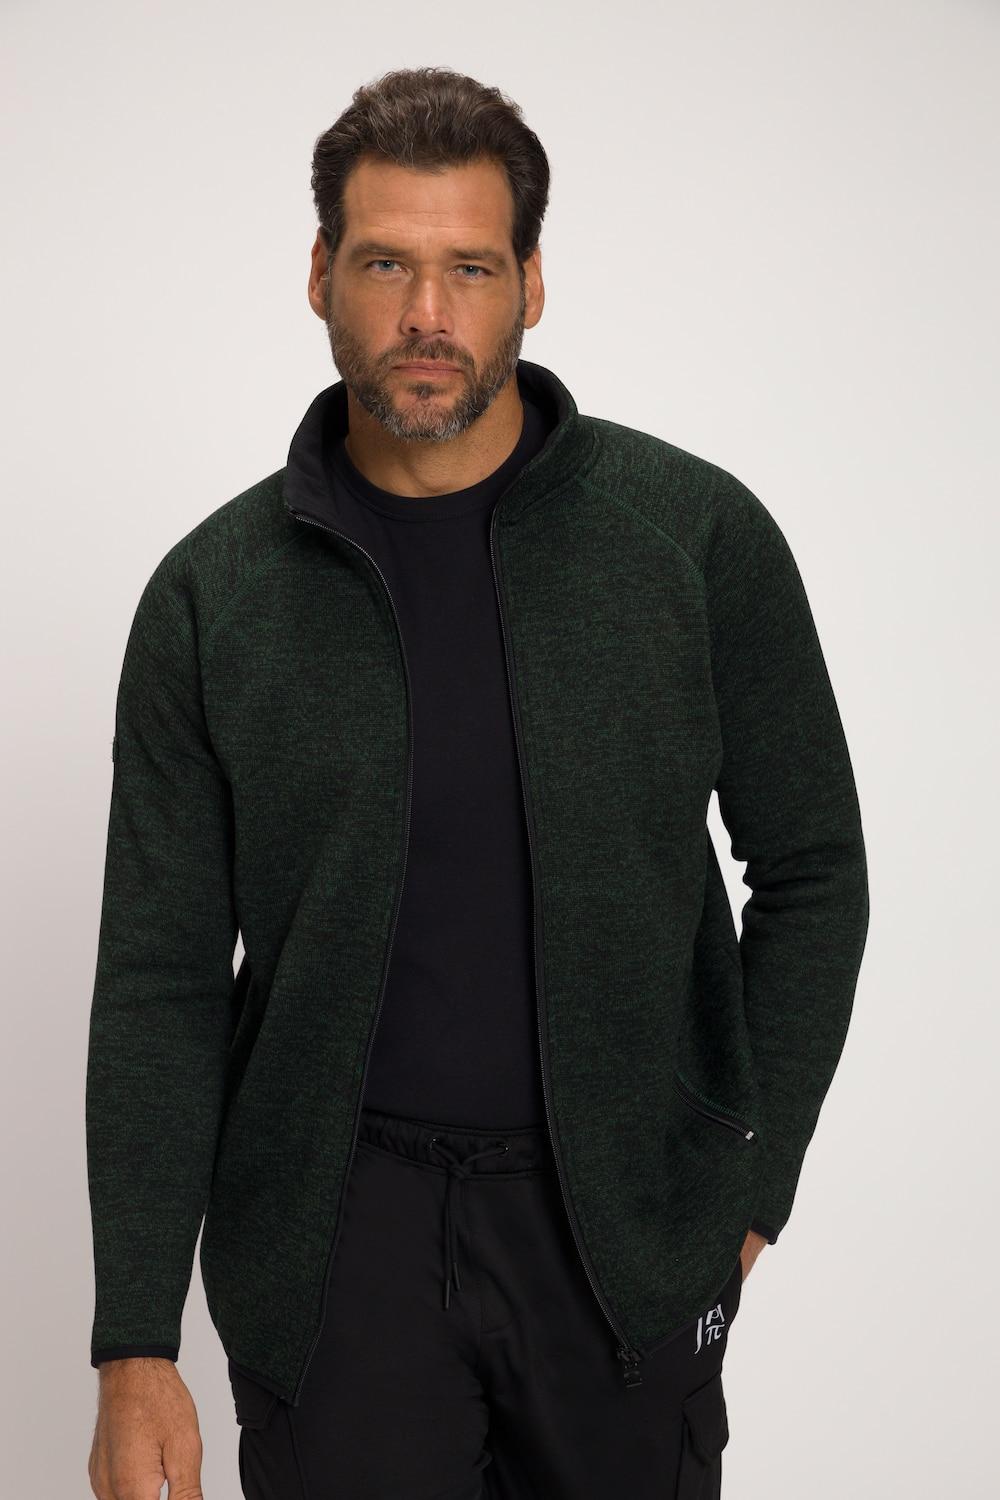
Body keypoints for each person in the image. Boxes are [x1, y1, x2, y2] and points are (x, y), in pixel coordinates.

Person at [86, 65, 869, 1500]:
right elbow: (161, 973)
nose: (428, 315)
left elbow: (814, 867)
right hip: (337, 1254)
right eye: (387, 264)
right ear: (320, 275)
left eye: (472, 268)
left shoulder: (692, 539)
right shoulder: (214, 596)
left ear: (533, 286)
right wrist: (135, 1339)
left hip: (620, 1237)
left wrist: (752, 1179)